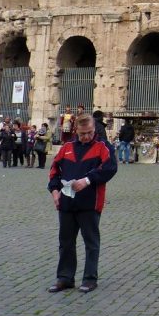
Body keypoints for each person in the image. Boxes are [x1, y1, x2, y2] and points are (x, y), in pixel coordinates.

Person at [46, 112, 117, 293]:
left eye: (90, 133)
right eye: (83, 133)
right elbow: (55, 170)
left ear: (94, 129)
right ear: (76, 130)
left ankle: (90, 278)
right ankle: (65, 278)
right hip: (67, 203)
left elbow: (110, 168)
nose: (86, 137)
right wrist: (54, 191)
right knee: (66, 242)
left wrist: (86, 181)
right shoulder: (67, 147)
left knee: (91, 242)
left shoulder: (103, 147)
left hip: (90, 203)